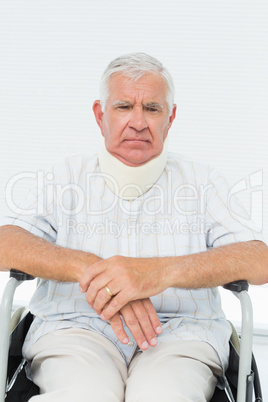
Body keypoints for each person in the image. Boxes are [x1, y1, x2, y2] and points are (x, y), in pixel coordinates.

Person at [0, 52, 267, 402]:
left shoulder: (203, 181)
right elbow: (6, 243)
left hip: (180, 334)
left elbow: (258, 260)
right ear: (100, 115)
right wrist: (96, 271)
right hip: (74, 328)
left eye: (152, 109)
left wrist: (157, 272)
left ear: (170, 118)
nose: (138, 122)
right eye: (124, 106)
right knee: (83, 395)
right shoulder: (62, 176)